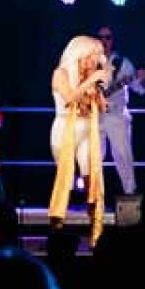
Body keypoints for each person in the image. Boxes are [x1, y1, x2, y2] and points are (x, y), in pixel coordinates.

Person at [48, 35, 111, 244]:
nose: (94, 61)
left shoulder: (91, 78)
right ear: (79, 54)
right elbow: (69, 98)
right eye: (91, 56)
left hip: (87, 131)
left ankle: (96, 228)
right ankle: (56, 228)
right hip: (65, 128)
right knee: (65, 179)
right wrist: (89, 82)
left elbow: (103, 107)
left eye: (97, 57)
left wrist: (98, 86)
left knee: (92, 177)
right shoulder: (61, 73)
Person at [96, 26, 145, 196]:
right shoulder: (87, 63)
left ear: (113, 40)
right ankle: (94, 197)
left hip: (116, 115)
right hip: (93, 116)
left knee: (122, 155)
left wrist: (142, 79)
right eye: (101, 37)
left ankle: (130, 194)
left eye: (108, 37)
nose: (104, 41)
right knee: (92, 158)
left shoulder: (123, 63)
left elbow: (139, 89)